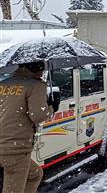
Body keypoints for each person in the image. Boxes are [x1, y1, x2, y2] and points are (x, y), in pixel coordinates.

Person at [0, 61, 59, 193]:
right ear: (37, 70)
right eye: (42, 71)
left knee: (35, 174)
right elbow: (37, 115)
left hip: (4, 144)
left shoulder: (4, 83)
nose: (43, 74)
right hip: (15, 149)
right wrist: (52, 107)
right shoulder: (35, 85)